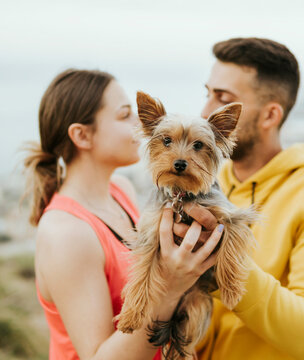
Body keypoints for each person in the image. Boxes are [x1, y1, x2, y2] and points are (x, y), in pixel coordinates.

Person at [24, 69, 224, 360]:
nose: (141, 122)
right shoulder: (67, 233)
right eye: (125, 115)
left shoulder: (120, 190)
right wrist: (171, 287)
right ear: (82, 135)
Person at [194, 38, 304, 359]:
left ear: (270, 115)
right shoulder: (207, 185)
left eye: (223, 99)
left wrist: (220, 264)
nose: (205, 112)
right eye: (207, 94)